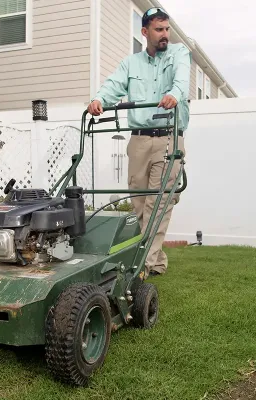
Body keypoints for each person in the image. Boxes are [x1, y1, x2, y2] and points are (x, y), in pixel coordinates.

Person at [88, 7, 190, 279]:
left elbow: (181, 80)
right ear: (145, 32)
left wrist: (174, 94)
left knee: (159, 203)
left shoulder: (179, 54)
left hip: (169, 136)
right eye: (159, 30)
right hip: (138, 141)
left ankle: (141, 266)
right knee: (139, 202)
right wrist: (99, 100)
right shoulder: (131, 63)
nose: (165, 34)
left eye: (167, 29)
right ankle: (156, 260)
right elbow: (113, 85)